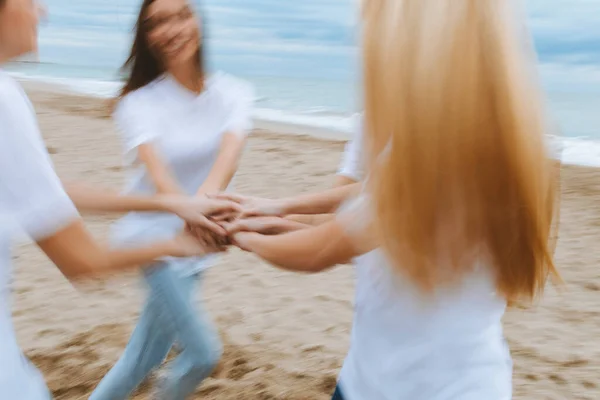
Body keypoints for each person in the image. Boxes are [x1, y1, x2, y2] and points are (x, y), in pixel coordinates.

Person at [225, 1, 560, 399]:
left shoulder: (444, 160)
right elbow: (364, 213)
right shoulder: (499, 147)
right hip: (372, 379)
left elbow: (321, 250)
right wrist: (272, 210)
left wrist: (239, 235)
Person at [0, 0, 231, 398]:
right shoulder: (5, 101)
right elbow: (84, 262)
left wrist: (172, 205)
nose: (42, 11)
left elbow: (48, 189)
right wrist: (181, 242)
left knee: (148, 356)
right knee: (187, 353)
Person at [90, 0, 254, 398]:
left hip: (197, 241)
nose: (173, 29)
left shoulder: (234, 93)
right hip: (152, 242)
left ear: (198, 20)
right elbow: (160, 177)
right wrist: (194, 212)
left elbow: (227, 157)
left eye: (182, 14)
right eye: (158, 22)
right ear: (146, 37)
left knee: (141, 360)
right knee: (202, 353)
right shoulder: (138, 102)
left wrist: (202, 210)